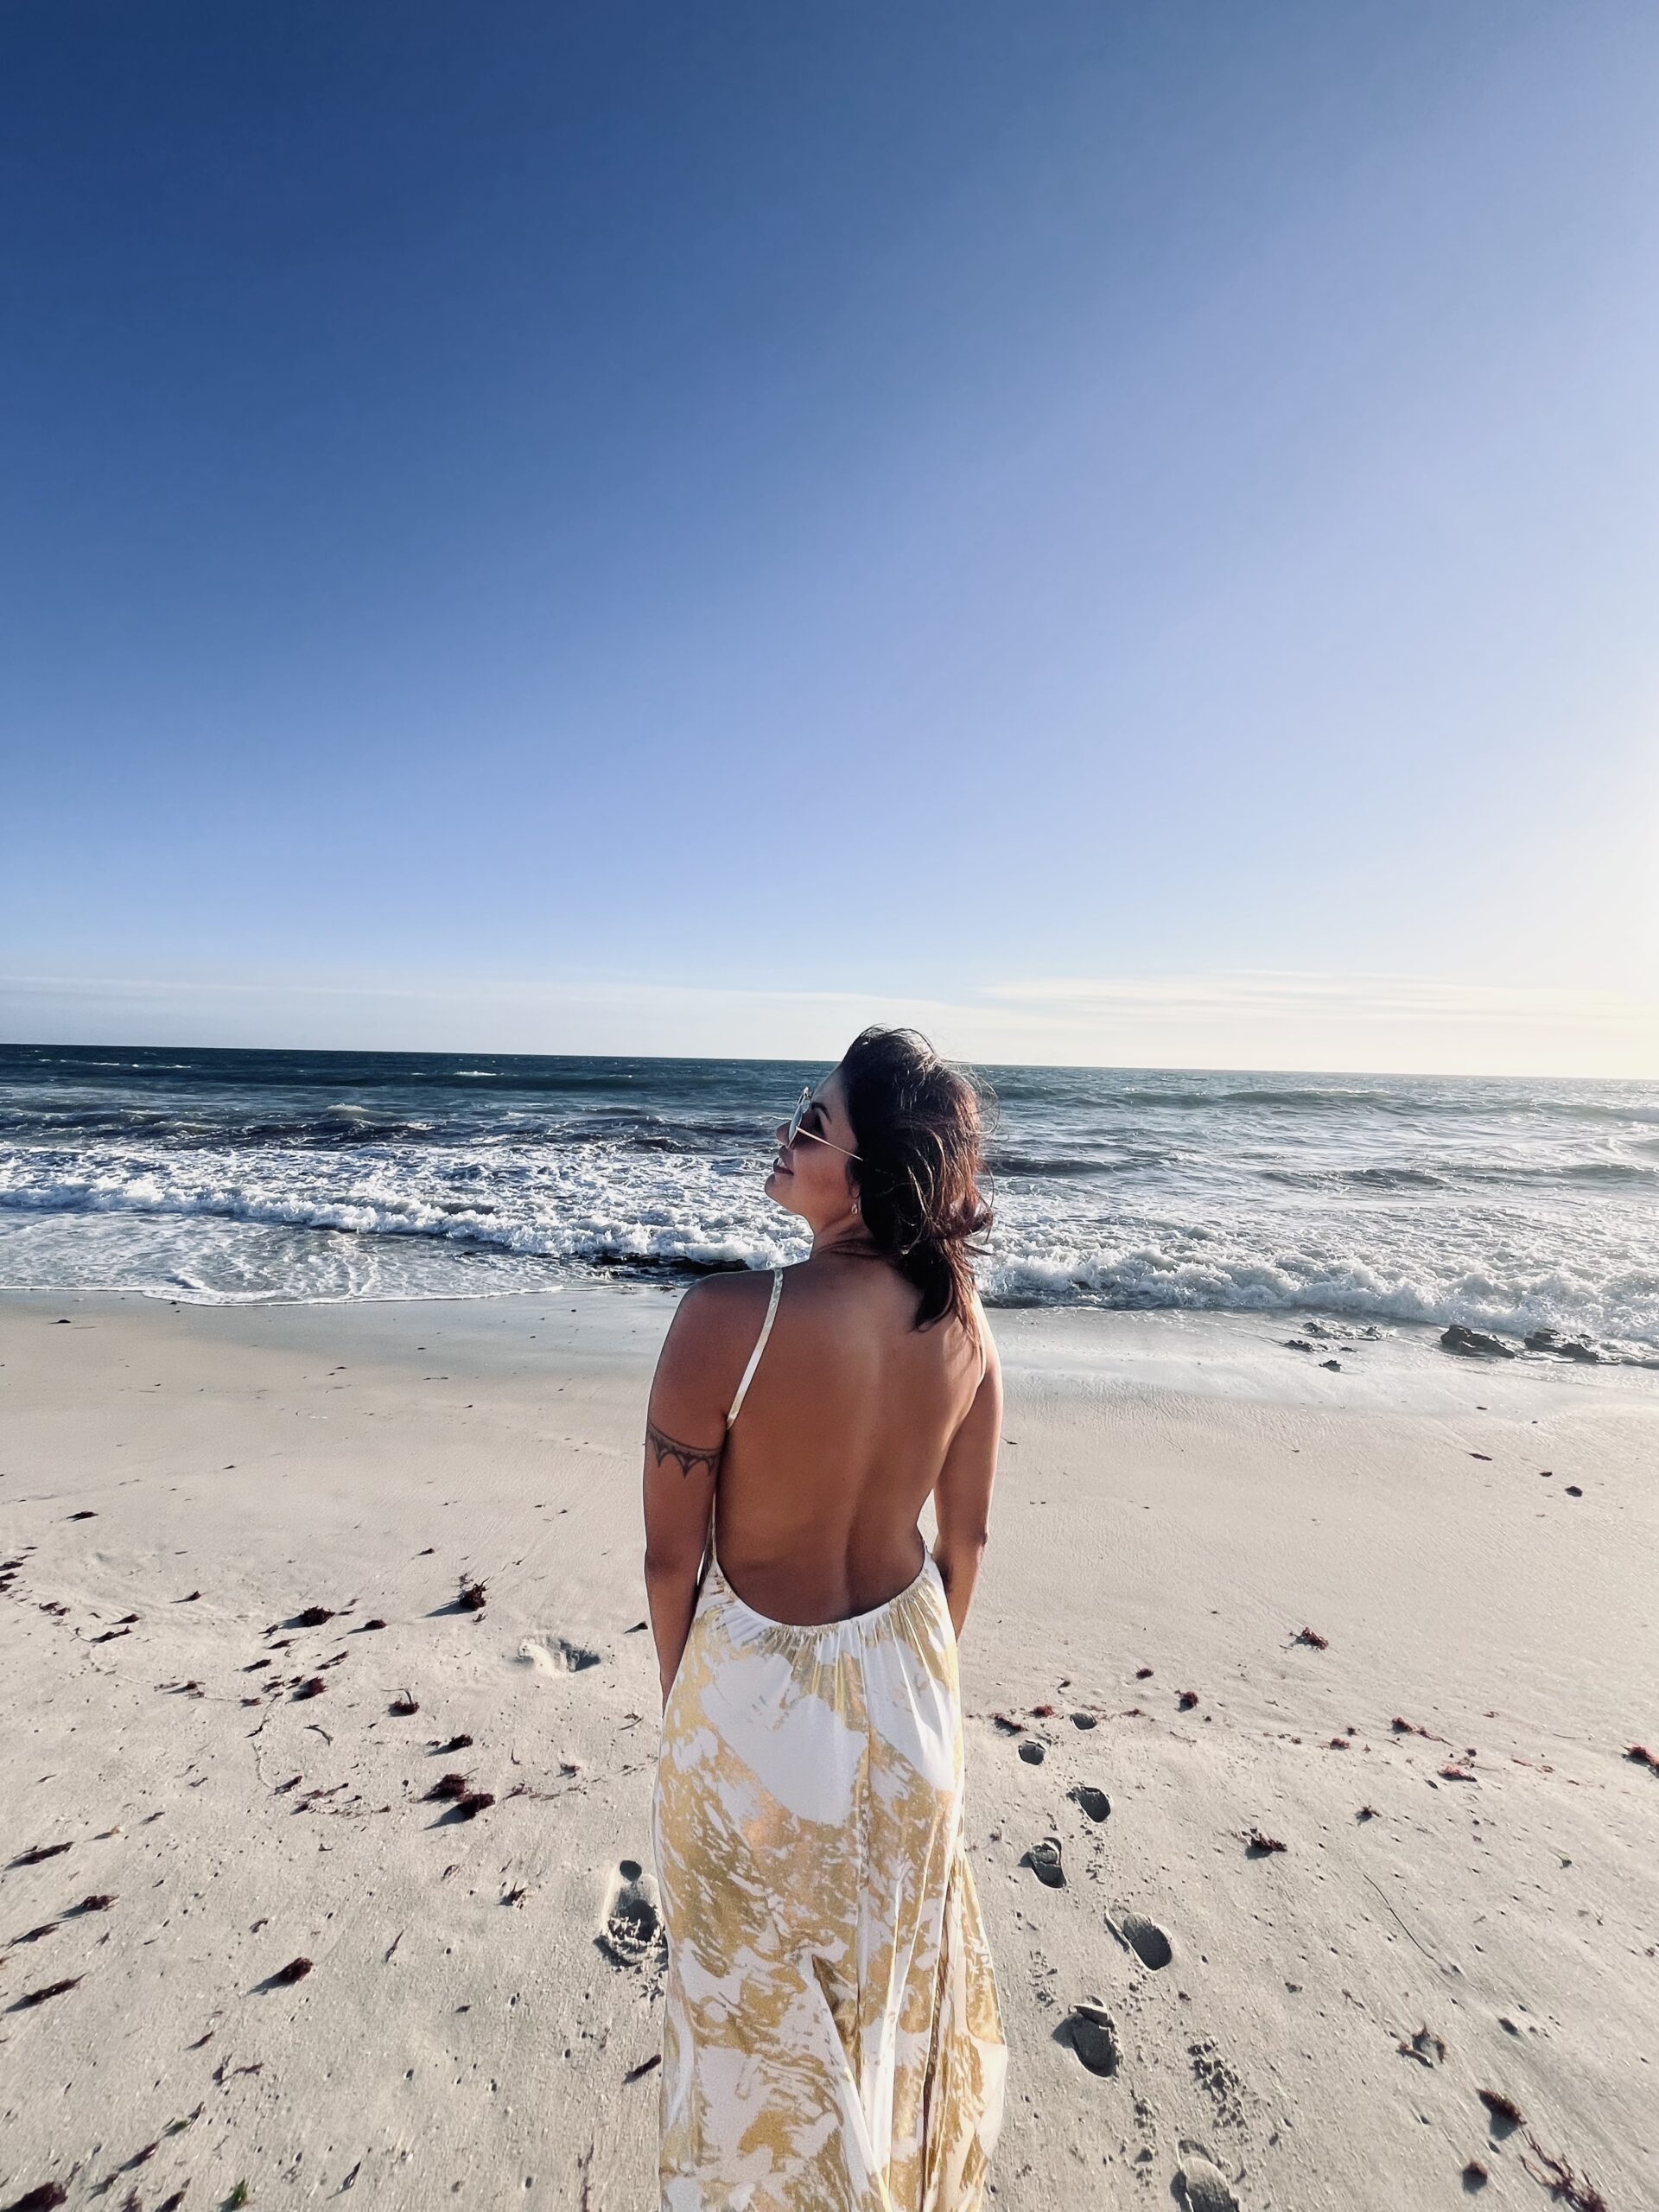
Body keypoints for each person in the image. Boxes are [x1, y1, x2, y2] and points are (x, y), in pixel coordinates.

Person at [643, 1026, 1007, 2212]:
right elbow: (966, 1549)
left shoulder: (726, 1318)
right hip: (913, 1706)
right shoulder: (964, 1325)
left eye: (811, 1125)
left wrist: (690, 1713)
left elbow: (669, 1560)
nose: (785, 1134)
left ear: (869, 1175)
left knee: (754, 2041)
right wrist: (906, 1707)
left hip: (754, 1716)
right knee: (884, 2007)